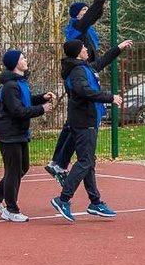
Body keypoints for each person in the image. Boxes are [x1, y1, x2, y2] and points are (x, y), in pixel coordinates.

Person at [45, 0, 117, 183]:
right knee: (78, 123)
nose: (87, 15)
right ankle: (60, 163)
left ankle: (58, 162)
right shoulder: (76, 28)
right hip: (77, 75)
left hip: (82, 73)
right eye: (83, 12)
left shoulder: (83, 30)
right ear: (77, 15)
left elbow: (96, 11)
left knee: (73, 122)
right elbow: (96, 10)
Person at [50, 38, 131, 222]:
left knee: (89, 162)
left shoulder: (83, 67)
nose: (87, 49)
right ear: (79, 52)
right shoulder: (77, 71)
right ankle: (63, 199)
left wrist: (118, 48)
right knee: (85, 161)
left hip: (86, 120)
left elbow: (101, 62)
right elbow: (83, 91)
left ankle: (95, 202)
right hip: (83, 120)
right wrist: (109, 97)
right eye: (84, 47)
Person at [0, 50, 55, 222]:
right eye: (23, 58)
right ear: (15, 63)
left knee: (23, 167)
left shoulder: (20, 82)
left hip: (20, 132)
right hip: (10, 133)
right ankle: (11, 209)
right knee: (13, 171)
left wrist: (41, 98)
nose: (26, 60)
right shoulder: (10, 86)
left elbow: (26, 100)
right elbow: (17, 110)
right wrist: (41, 109)